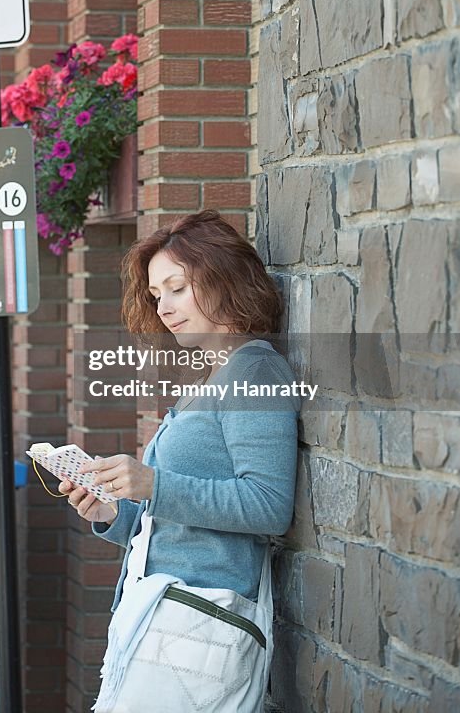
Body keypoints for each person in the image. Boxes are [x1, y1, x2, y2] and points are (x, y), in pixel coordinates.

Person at [59, 209, 299, 711]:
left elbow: (268, 504)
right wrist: (112, 510)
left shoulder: (254, 371)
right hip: (165, 614)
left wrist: (151, 483)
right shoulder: (218, 375)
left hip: (199, 624)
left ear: (222, 279)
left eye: (177, 287)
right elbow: (179, 521)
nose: (164, 307)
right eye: (156, 295)